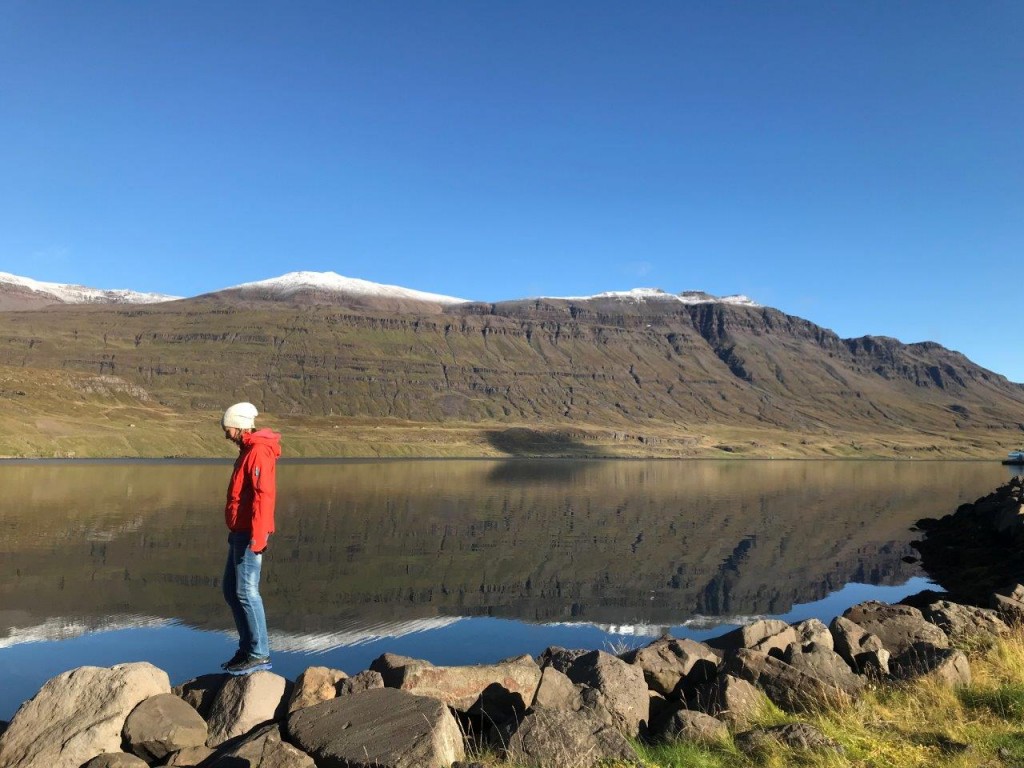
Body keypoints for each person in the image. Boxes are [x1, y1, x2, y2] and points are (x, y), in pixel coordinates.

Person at [219, 401, 281, 674]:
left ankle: (259, 653)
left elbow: (262, 496)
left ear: (239, 424)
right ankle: (247, 649)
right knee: (231, 590)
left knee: (246, 592)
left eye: (227, 428)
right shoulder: (247, 451)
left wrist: (258, 536)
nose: (225, 434)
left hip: (250, 533)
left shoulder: (257, 452)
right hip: (239, 532)